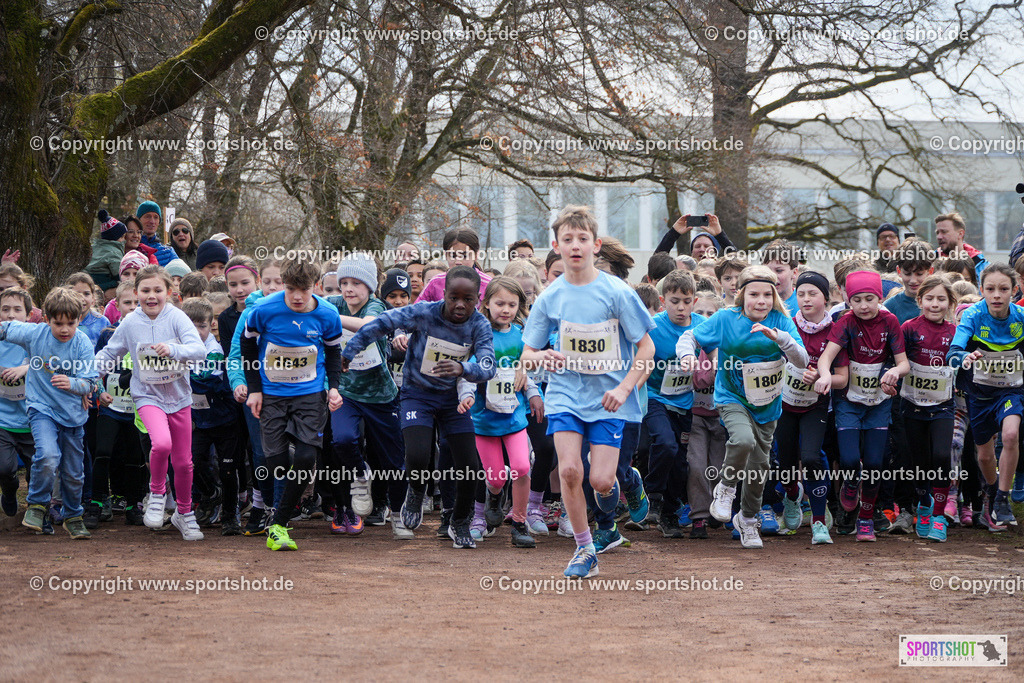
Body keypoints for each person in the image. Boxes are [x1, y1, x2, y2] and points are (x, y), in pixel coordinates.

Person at [521, 205, 656, 578]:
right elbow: (526, 355)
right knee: (568, 470)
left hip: (609, 399)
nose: (575, 246)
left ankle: (629, 483)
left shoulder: (617, 292)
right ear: (556, 246)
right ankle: (585, 549)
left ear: (596, 245)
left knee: (601, 480)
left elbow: (647, 348)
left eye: (583, 239)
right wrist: (541, 355)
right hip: (565, 395)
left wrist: (626, 388)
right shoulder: (550, 297)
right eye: (568, 239)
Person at [340, 265, 495, 548]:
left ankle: (460, 522)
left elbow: (488, 365)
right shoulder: (424, 312)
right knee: (418, 454)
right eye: (454, 298)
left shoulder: (480, 325)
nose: (460, 305)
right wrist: (350, 351)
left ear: (478, 299)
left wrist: (463, 368)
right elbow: (382, 323)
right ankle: (415, 490)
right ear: (444, 294)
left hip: (452, 400)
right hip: (417, 395)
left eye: (468, 299)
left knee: (470, 466)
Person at [678, 266, 808, 549]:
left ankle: (747, 519)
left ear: (774, 296)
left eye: (767, 295)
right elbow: (690, 337)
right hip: (732, 396)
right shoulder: (727, 318)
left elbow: (802, 360)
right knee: (742, 439)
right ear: (741, 295)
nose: (761, 301)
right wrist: (687, 355)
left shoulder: (781, 320)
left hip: (767, 405)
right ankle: (725, 488)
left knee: (759, 469)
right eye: (754, 294)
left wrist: (780, 338)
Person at [94, 264, 209, 541]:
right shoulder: (130, 322)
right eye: (145, 290)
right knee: (162, 444)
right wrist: (87, 375)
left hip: (179, 397)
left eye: (158, 290)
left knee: (184, 463)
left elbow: (199, 351)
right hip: (147, 395)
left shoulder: (177, 317)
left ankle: (184, 513)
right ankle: (157, 493)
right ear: (136, 293)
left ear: (168, 292)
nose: (151, 296)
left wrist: (173, 350)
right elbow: (110, 353)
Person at [240, 260, 345, 551]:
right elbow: (247, 346)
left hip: (310, 394)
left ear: (316, 286)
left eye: (304, 289)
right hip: (272, 394)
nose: (297, 296)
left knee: (305, 459)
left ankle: (279, 524)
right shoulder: (264, 310)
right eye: (290, 289)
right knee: (277, 465)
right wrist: (255, 390)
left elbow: (334, 352)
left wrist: (333, 388)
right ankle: (287, 458)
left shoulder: (327, 314)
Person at [813, 270, 910, 542]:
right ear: (848, 300)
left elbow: (904, 363)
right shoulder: (845, 322)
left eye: (869, 299)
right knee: (848, 459)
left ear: (879, 298)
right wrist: (824, 375)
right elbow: (826, 357)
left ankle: (866, 518)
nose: (864, 306)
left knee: (875, 462)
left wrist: (895, 372)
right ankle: (851, 482)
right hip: (849, 402)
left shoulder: (890, 321)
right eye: (857, 300)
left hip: (878, 402)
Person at [1, 287, 99, 539]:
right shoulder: (35, 334)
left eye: (71, 323)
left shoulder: (82, 343)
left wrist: (73, 384)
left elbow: (90, 382)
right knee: (47, 455)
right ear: (46, 319)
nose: (65, 329)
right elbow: (6, 328)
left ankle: (73, 515)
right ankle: (37, 505)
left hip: (73, 415)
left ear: (79, 320)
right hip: (41, 408)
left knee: (73, 472)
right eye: (58, 323)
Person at [326, 254, 407, 539]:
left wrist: (329, 318)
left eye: (357, 283)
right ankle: (361, 475)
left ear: (370, 287)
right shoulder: (332, 303)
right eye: (344, 282)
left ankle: (399, 514)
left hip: (381, 396)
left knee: (394, 461)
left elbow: (368, 326)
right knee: (343, 440)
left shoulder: (376, 306)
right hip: (346, 392)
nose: (349, 288)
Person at [457, 276, 542, 548]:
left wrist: (534, 394)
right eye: (500, 303)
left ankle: (519, 523)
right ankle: (494, 496)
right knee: (494, 478)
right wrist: (467, 395)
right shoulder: (479, 335)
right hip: (484, 421)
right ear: (486, 303)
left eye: (512, 305)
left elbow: (526, 372)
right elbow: (467, 371)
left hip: (514, 417)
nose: (506, 310)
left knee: (522, 467)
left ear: (519, 306)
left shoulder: (521, 337)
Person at [947, 263, 1024, 529]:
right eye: (990, 289)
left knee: (1011, 434)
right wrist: (964, 357)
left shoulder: (1021, 317)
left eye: (1004, 289)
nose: (997, 295)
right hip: (979, 394)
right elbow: (953, 352)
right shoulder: (973, 315)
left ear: (1014, 290)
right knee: (984, 457)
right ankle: (992, 493)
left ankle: (1002, 498)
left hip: (1011, 390)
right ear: (981, 290)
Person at [776, 271, 848, 545]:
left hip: (815, 407)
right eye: (801, 293)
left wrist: (821, 377)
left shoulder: (836, 331)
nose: (805, 299)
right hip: (784, 405)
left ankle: (818, 520)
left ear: (826, 298)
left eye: (812, 294)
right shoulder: (787, 324)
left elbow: (843, 379)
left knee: (811, 458)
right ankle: (792, 495)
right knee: (785, 464)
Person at [642, 270, 704, 537]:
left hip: (685, 403)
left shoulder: (702, 326)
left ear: (695, 301)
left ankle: (668, 514)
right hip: (655, 397)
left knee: (680, 463)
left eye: (687, 301)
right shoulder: (652, 327)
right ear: (662, 301)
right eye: (674, 301)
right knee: (665, 443)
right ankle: (653, 495)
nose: (681, 307)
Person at [900, 275, 958, 542]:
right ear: (920, 300)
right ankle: (924, 504)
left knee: (941, 456)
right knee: (920, 461)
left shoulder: (954, 332)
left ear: (950, 303)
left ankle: (938, 516)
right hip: (913, 405)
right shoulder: (909, 328)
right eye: (930, 298)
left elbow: (963, 360)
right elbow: (896, 358)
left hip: (943, 406)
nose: (935, 304)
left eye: (941, 299)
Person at [182, 298, 239, 535]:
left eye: (202, 326)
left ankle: (230, 517)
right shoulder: (178, 348)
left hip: (225, 419)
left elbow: (206, 381)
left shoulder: (215, 351)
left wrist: (179, 373)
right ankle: (210, 493)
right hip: (199, 421)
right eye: (191, 326)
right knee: (190, 462)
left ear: (211, 325)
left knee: (228, 469)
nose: (197, 331)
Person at [92, 282, 146, 526]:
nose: (133, 307)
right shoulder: (107, 333)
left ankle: (134, 505)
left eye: (137, 302)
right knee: (103, 452)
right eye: (127, 302)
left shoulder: (149, 334)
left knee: (135, 457)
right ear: (117, 305)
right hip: (110, 407)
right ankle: (97, 503)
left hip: (137, 408)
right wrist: (100, 391)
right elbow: (96, 366)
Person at [0, 287, 33, 519]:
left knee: (37, 470)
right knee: (4, 468)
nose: (11, 314)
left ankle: (36, 506)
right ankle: (9, 490)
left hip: (33, 418)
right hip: (3, 419)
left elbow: (49, 361)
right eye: (5, 309)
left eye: (17, 309)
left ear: (28, 315)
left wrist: (26, 368)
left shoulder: (35, 338)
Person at [417, 228, 492, 302]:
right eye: (453, 256)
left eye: (464, 256)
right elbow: (416, 308)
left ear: (476, 255)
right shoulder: (435, 283)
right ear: (446, 255)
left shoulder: (488, 285)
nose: (458, 262)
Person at [935, 212, 988, 282]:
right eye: (937, 233)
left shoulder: (982, 265)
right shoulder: (929, 261)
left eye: (944, 232)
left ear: (960, 234)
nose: (939, 237)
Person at [654, 214, 734, 260]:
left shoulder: (723, 274)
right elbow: (657, 261)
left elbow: (736, 260)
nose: (702, 249)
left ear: (715, 252)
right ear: (692, 253)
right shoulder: (683, 274)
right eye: (697, 246)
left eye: (707, 246)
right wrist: (673, 233)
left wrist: (720, 235)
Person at [86, 210, 127, 294]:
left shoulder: (95, 247)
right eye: (122, 237)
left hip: (87, 277)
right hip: (102, 281)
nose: (124, 240)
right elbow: (119, 274)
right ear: (115, 237)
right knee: (118, 283)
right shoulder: (113, 251)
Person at [761, 239, 801, 316]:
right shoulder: (755, 303)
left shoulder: (803, 302)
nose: (772, 276)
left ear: (794, 272)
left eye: (779, 270)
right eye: (767, 270)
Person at [135, 201, 176, 266]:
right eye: (148, 216)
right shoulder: (130, 248)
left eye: (156, 217)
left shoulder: (169, 252)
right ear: (138, 220)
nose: (152, 221)